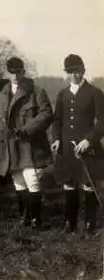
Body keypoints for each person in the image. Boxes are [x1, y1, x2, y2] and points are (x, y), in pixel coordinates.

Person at [0, 57, 53, 229]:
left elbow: (47, 114)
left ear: (24, 72)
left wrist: (27, 129)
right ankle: (24, 216)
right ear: (6, 73)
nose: (15, 76)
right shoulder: (1, 95)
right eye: (11, 72)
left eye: (18, 72)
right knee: (18, 180)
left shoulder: (36, 91)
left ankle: (36, 219)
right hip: (9, 143)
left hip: (29, 143)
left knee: (32, 179)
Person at [52, 54, 104, 235]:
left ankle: (90, 223)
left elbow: (102, 122)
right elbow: (57, 120)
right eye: (70, 72)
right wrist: (57, 138)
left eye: (77, 71)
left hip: (89, 148)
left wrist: (89, 139)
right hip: (67, 147)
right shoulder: (62, 94)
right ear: (66, 74)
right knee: (69, 184)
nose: (74, 75)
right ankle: (70, 222)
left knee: (89, 184)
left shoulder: (95, 93)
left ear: (83, 70)